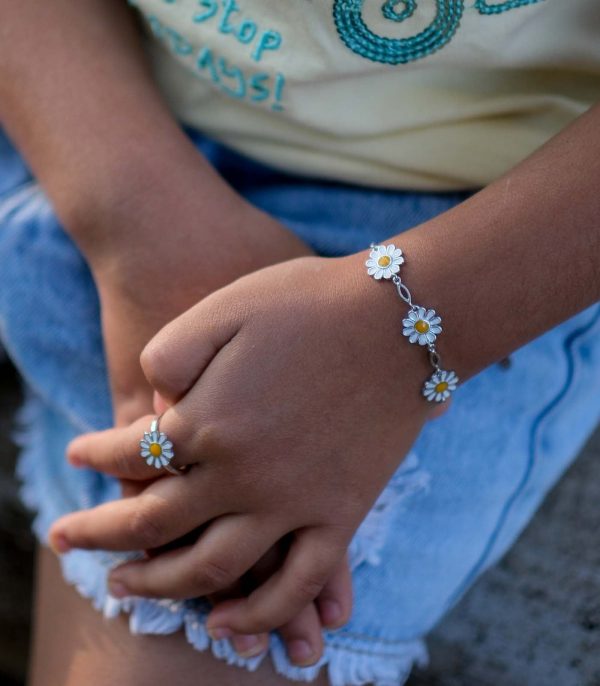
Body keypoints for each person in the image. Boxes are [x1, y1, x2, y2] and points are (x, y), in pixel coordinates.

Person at [0, 2, 599, 685]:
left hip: (480, 221)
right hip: (77, 86)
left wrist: (404, 333)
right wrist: (132, 210)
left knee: (217, 595)